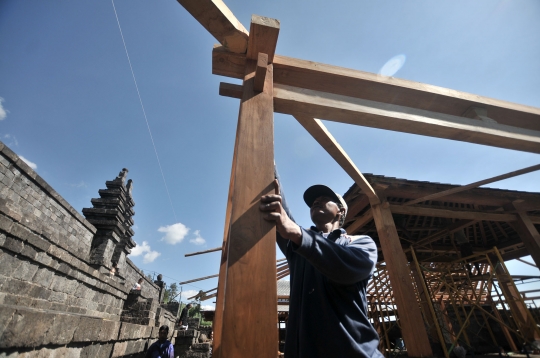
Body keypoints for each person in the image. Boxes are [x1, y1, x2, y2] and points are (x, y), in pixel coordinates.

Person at [260, 181, 383, 358]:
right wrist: (270, 168)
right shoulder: (297, 247)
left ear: (340, 211)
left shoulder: (359, 243)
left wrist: (300, 235)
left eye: (324, 199)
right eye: (313, 202)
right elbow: (283, 213)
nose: (315, 202)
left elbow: (346, 268)